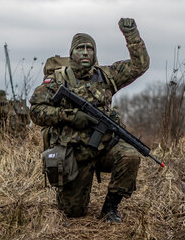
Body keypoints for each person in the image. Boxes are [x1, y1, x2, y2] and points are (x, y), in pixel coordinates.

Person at [29, 18, 150, 222]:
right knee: (73, 212)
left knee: (130, 155)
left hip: (103, 148)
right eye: (80, 48)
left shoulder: (107, 76)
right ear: (72, 53)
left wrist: (132, 35)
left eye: (89, 48)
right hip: (73, 153)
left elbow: (140, 65)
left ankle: (110, 208)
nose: (85, 52)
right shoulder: (58, 79)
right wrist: (70, 116)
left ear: (94, 53)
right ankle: (73, 189)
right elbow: (36, 111)